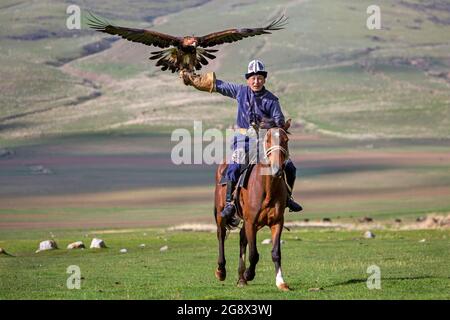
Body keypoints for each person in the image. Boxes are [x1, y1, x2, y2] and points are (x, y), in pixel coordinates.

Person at [180, 59, 302, 219]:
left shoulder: (272, 100)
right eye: (253, 78)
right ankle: (230, 203)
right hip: (243, 139)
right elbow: (219, 86)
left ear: (264, 79)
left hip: (265, 142)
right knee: (234, 166)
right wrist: (194, 79)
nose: (256, 81)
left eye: (259, 78)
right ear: (248, 79)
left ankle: (288, 198)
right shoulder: (240, 91)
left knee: (290, 167)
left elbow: (279, 121)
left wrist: (268, 124)